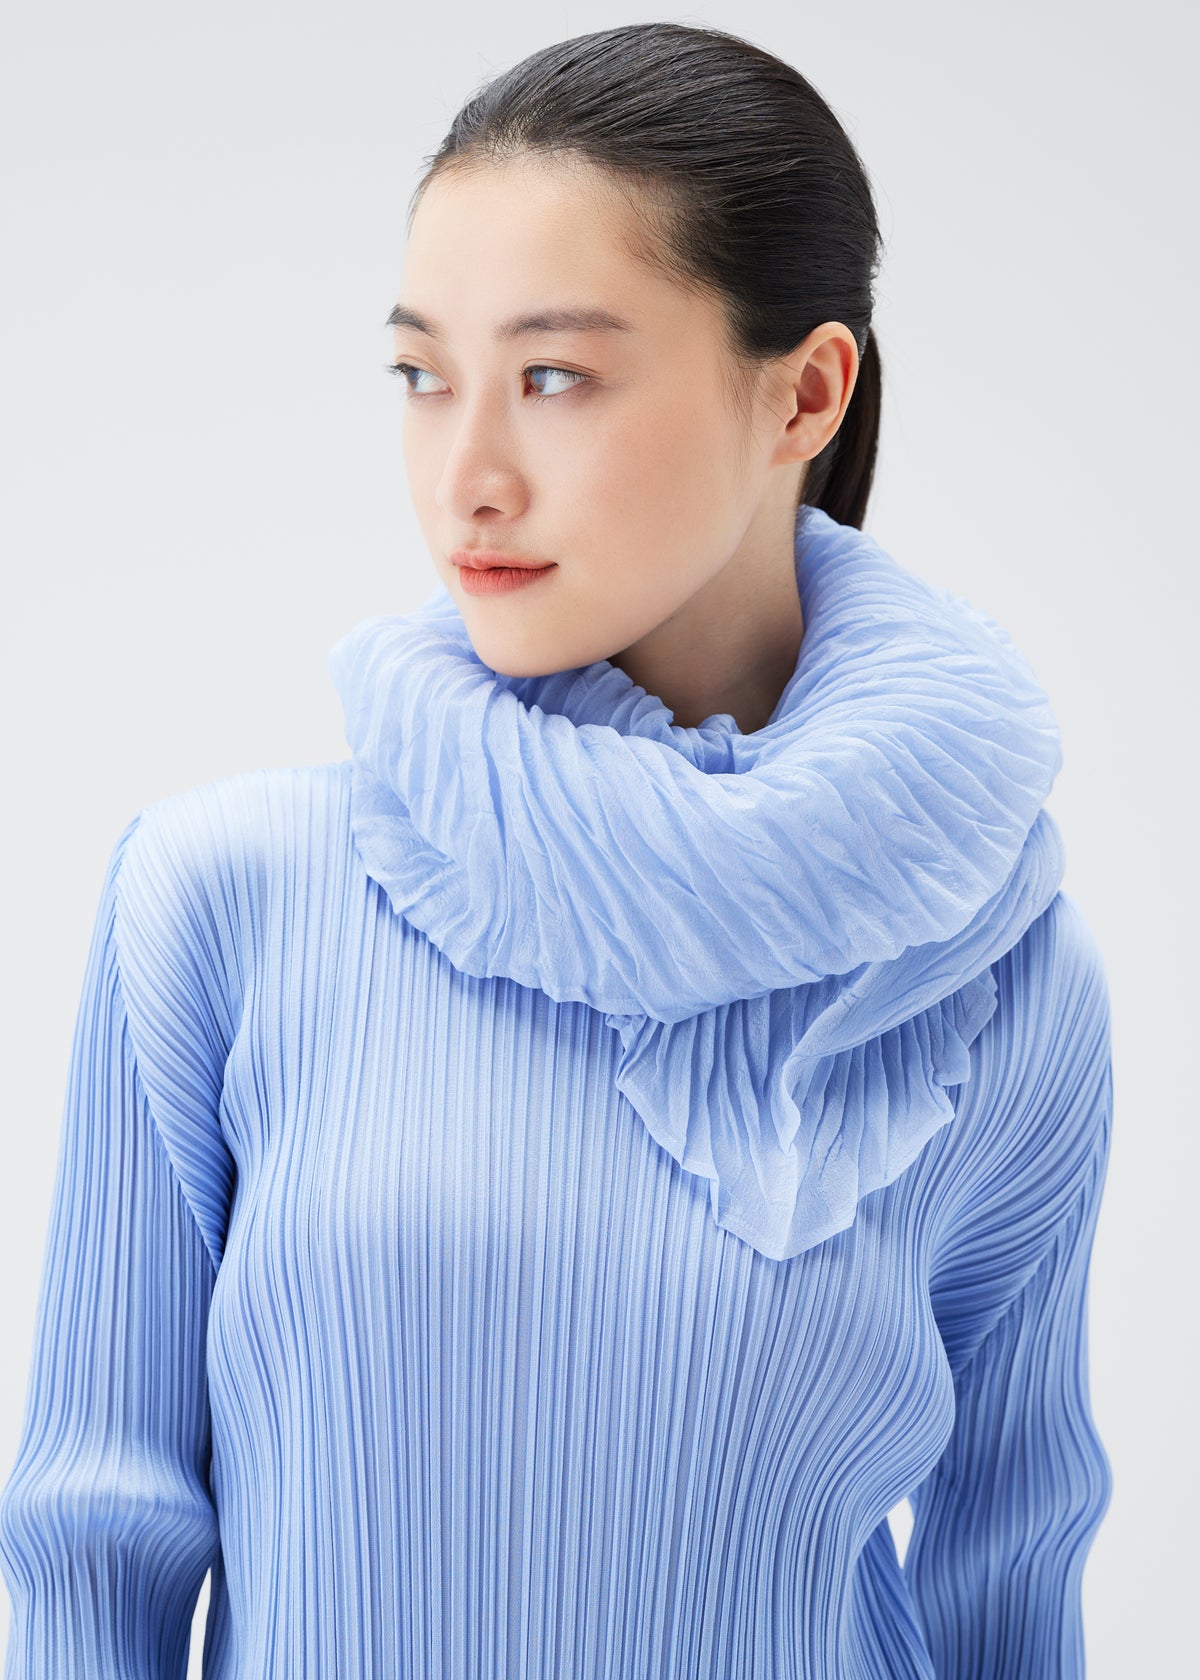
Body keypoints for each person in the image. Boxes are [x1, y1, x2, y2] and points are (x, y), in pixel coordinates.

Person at [0, 21, 1113, 1678]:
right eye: (422, 376)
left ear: (805, 391)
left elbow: (1011, 1570)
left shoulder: (999, 969)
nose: (467, 476)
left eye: (554, 379)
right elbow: (95, 1539)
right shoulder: (221, 898)